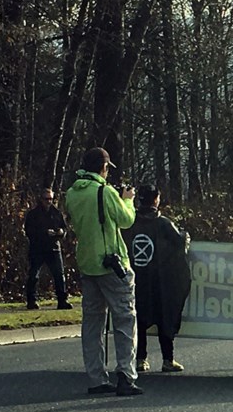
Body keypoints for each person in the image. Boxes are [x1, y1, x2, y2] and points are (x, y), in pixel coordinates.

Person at [63, 147, 142, 396]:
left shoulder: (71, 194)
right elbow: (126, 219)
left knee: (92, 322)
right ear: (103, 168)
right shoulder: (105, 192)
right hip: (112, 264)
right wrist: (127, 198)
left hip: (87, 263)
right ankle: (126, 376)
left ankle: (96, 378)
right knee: (124, 320)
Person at [121, 184, 191, 374]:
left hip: (137, 279)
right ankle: (168, 359)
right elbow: (179, 242)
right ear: (156, 199)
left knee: (139, 319)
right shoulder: (163, 224)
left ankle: (140, 359)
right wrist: (186, 236)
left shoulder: (130, 222)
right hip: (160, 281)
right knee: (164, 317)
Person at [24, 187, 72, 310]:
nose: (48, 202)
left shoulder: (57, 213)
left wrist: (61, 232)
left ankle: (62, 300)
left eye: (51, 199)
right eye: (46, 199)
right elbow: (29, 231)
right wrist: (44, 233)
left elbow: (65, 229)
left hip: (54, 248)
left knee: (59, 275)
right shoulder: (33, 215)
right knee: (34, 275)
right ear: (41, 199)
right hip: (38, 249)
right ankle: (31, 301)